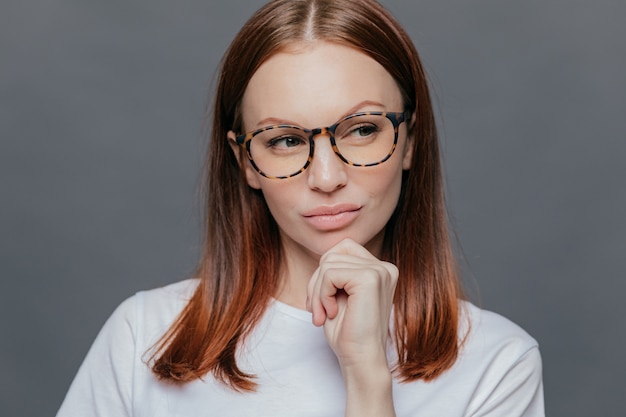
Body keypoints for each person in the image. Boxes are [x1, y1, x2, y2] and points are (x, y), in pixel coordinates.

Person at [57, 0, 544, 416]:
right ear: (246, 161)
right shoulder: (144, 336)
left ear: (410, 141)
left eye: (362, 129)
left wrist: (369, 380)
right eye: (285, 140)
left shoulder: (497, 364)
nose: (327, 179)